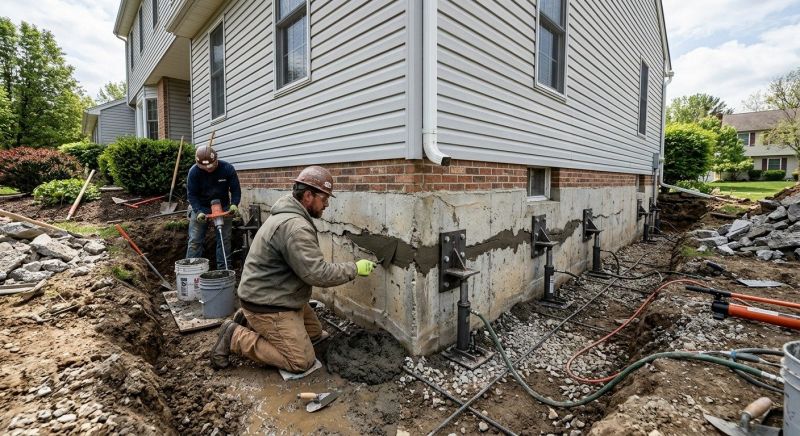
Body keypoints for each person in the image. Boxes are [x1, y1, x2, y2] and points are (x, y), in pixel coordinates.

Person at [210, 165, 376, 372]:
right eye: (324, 198)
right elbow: (317, 273)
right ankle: (234, 335)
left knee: (315, 335)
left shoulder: (288, 214)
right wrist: (354, 268)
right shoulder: (295, 227)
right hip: (268, 304)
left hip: (278, 294)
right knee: (301, 361)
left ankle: (248, 320)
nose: (326, 204)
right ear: (308, 196)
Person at [186, 144, 241, 270]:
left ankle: (224, 269)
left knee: (224, 239)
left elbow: (235, 190)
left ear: (216, 159)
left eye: (211, 166)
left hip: (223, 206)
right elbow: (191, 195)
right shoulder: (194, 172)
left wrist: (234, 204)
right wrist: (198, 211)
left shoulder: (227, 168)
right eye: (205, 167)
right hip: (201, 206)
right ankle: (191, 270)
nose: (208, 169)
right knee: (195, 240)